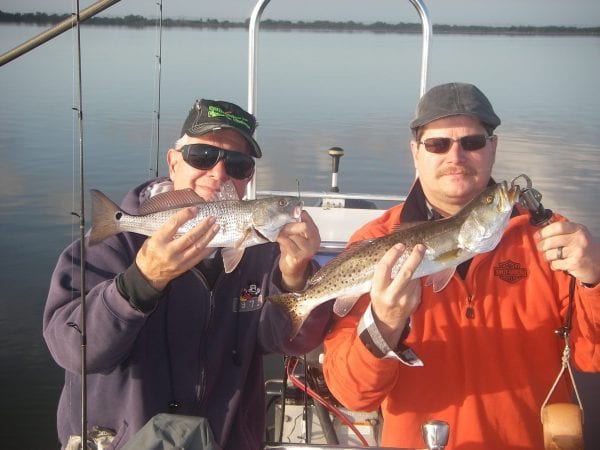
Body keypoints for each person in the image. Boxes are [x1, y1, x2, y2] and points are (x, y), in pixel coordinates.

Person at [322, 82, 600, 449]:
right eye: (438, 144)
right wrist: (385, 324)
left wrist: (595, 280)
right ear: (415, 153)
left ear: (493, 148)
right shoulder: (375, 242)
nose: (456, 155)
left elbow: (590, 355)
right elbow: (352, 395)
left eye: (472, 142)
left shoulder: (551, 238)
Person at [43, 99, 331, 449]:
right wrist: (139, 283)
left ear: (248, 177)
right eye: (202, 156)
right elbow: (71, 348)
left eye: (237, 164)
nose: (218, 173)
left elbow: (290, 342)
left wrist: (294, 275)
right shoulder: (109, 248)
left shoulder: (266, 253)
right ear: (173, 161)